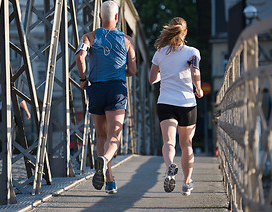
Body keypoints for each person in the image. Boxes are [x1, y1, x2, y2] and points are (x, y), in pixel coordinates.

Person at [75, 1, 136, 194]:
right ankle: (105, 160)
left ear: (100, 17)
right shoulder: (127, 40)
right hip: (116, 90)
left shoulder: (89, 37)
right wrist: (117, 70)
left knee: (101, 136)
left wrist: (83, 79)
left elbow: (79, 57)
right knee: (114, 136)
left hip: (96, 90)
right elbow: (133, 70)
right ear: (117, 18)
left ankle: (110, 181)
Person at [148, 17, 203, 196]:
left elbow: (152, 79)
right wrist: (199, 89)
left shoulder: (160, 53)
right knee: (186, 144)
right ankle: (187, 184)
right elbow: (195, 72)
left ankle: (170, 165)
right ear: (185, 32)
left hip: (165, 102)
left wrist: (165, 75)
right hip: (187, 103)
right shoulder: (192, 52)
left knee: (168, 142)